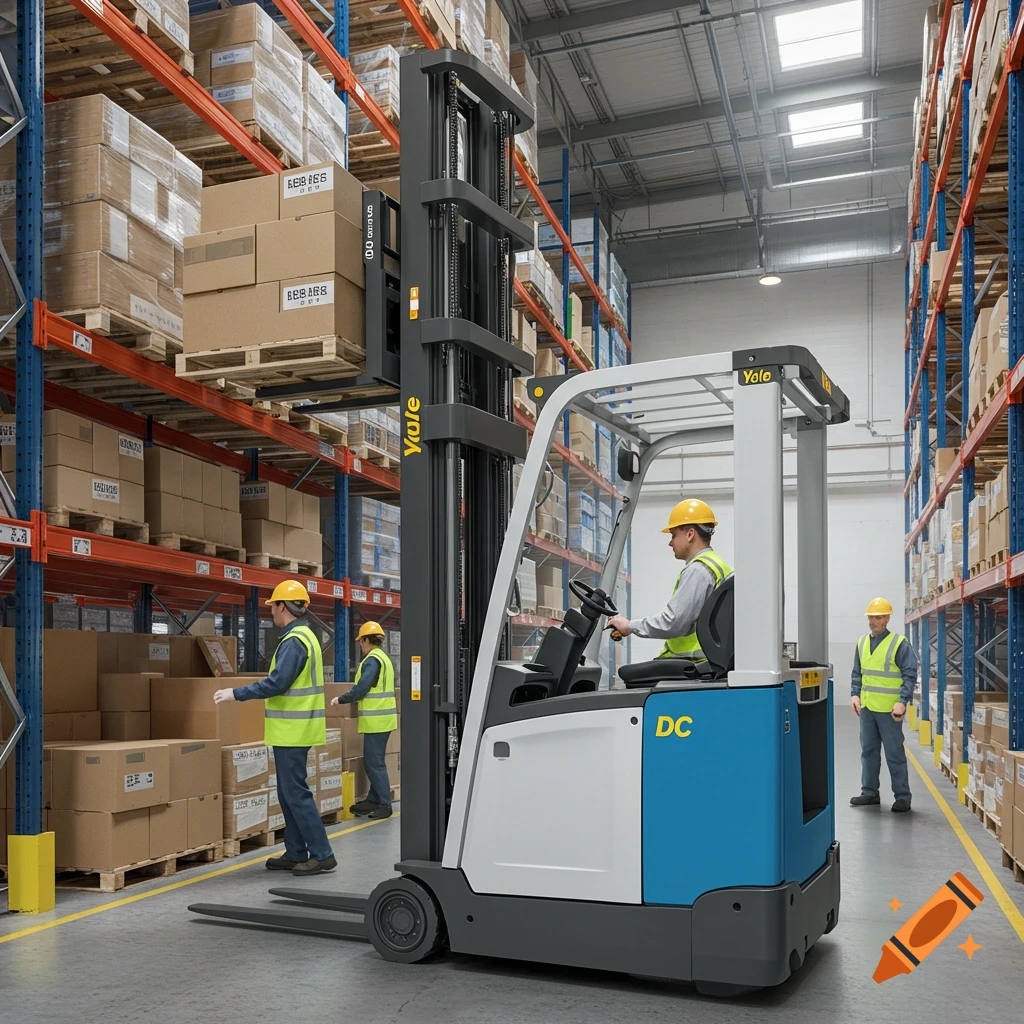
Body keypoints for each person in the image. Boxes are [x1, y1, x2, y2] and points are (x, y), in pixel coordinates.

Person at [213, 580, 336, 875]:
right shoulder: (303, 636)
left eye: (273, 606)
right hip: (291, 730)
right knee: (287, 793)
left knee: (295, 793)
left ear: (284, 606)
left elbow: (278, 683)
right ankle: (296, 851)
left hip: (294, 731)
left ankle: (322, 853)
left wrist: (236, 694)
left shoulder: (295, 641)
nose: (271, 613)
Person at [607, 498, 731, 661]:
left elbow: (673, 623)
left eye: (673, 535)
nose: (670, 542)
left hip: (693, 660)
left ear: (690, 534)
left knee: (629, 674)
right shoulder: (717, 565)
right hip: (703, 659)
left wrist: (629, 626)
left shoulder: (698, 570)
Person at [850, 597, 918, 813]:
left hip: (889, 710)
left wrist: (902, 701)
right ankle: (869, 792)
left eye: (878, 617)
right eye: (871, 617)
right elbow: (857, 673)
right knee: (868, 751)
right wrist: (854, 695)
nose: (873, 621)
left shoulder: (899, 643)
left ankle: (902, 797)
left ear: (887, 618)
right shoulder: (862, 643)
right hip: (868, 708)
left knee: (894, 753)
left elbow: (910, 674)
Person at [331, 621, 397, 820]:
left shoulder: (372, 660)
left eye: (361, 641)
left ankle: (384, 804)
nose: (360, 645)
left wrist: (340, 699)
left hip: (377, 721)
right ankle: (373, 799)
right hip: (382, 720)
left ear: (368, 640)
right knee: (373, 762)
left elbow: (362, 688)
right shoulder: (383, 658)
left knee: (374, 763)